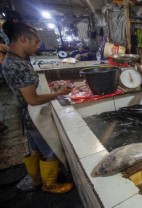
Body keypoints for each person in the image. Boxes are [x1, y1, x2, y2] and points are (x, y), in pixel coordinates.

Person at [1, 21, 73, 193]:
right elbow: (32, 100)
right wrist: (58, 93)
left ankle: (35, 179)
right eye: (36, 41)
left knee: (35, 149)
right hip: (33, 116)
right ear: (23, 39)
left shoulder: (11, 59)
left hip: (25, 114)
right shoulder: (18, 65)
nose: (37, 46)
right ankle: (50, 185)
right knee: (50, 150)